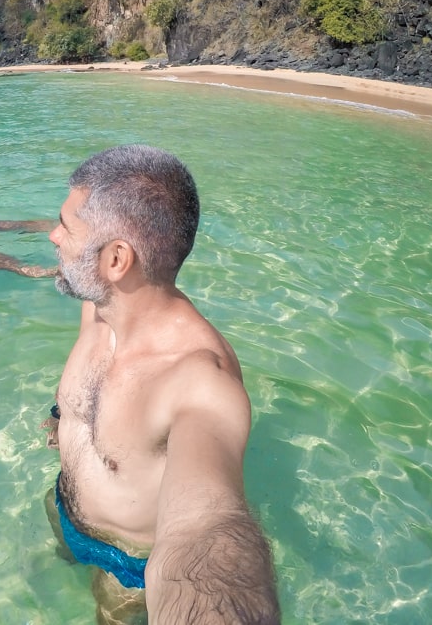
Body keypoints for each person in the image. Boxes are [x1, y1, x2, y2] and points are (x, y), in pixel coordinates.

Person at [43, 145, 280, 624]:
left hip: (129, 566)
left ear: (116, 259)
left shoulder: (197, 380)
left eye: (66, 226)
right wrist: (59, 419)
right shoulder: (101, 304)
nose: (52, 236)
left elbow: (205, 527)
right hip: (65, 509)